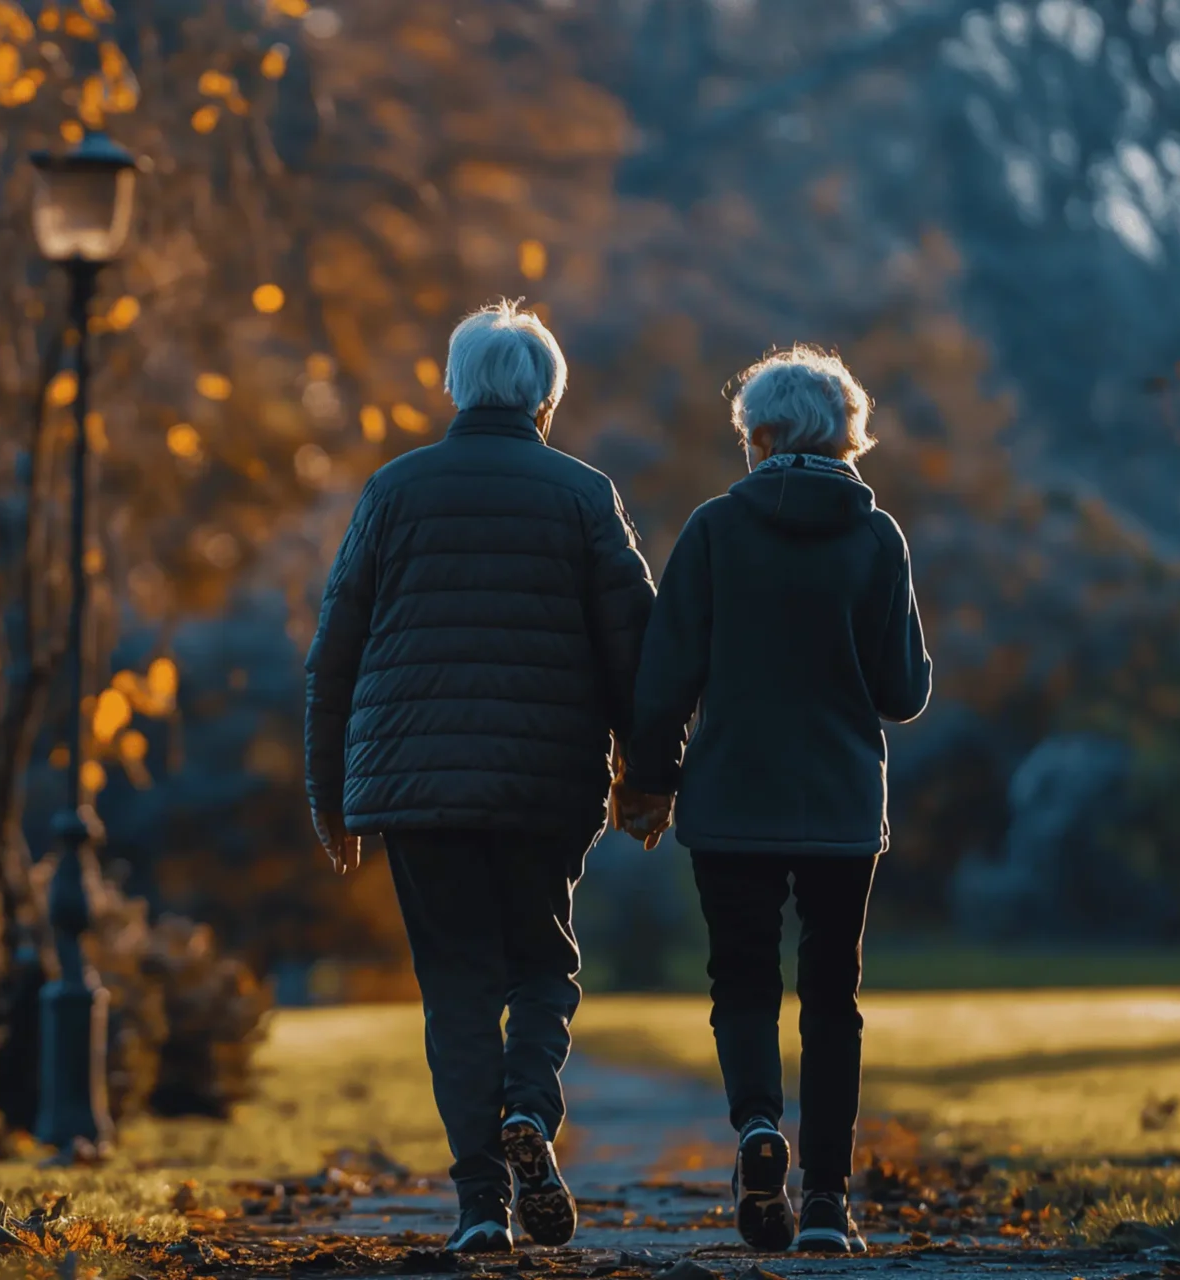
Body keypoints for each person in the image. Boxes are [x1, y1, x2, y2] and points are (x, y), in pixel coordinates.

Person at [305, 301, 673, 1254]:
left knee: (457, 989)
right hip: (544, 783)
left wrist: (329, 794)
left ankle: (480, 1206)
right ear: (547, 398)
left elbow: (334, 652)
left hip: (415, 788)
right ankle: (527, 1109)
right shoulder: (585, 495)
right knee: (545, 964)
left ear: (456, 389)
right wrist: (647, 777)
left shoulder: (394, 490)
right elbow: (638, 650)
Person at [620, 346, 933, 1255]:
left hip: (731, 797)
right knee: (834, 995)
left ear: (757, 436)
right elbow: (903, 691)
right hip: (839, 802)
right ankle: (830, 1201)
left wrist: (649, 779)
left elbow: (664, 677)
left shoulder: (715, 529)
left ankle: (760, 1130)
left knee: (744, 982)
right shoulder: (878, 539)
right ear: (847, 434)